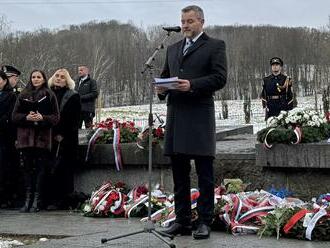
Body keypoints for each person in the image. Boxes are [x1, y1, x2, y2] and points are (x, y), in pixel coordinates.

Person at [155, 5, 227, 239]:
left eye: (190, 21)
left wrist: (193, 84)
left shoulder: (215, 46)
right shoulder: (173, 48)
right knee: (179, 173)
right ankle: (183, 220)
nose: (185, 25)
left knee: (204, 172)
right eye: (183, 21)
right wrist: (161, 89)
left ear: (201, 22)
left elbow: (220, 77)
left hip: (199, 116)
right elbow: (167, 76)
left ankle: (205, 220)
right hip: (176, 115)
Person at [12, 70, 59, 212]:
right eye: (33, 77)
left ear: (44, 79)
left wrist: (42, 118)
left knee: (40, 170)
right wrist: (26, 117)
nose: (36, 79)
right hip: (25, 139)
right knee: (26, 170)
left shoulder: (49, 94)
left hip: (42, 139)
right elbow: (14, 116)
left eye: (39, 77)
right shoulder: (23, 94)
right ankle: (27, 199)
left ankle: (37, 201)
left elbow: (56, 117)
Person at [47, 68, 81, 209]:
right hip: (48, 137)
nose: (59, 78)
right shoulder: (48, 93)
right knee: (49, 170)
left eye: (62, 77)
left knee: (63, 171)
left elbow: (75, 120)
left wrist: (63, 134)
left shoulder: (73, 96)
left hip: (65, 139)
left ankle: (63, 201)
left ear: (67, 81)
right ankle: (49, 199)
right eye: (57, 76)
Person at [0, 70, 17, 208]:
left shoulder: (10, 96)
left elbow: (10, 116)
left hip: (4, 137)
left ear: (5, 81)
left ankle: (6, 198)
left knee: (5, 167)